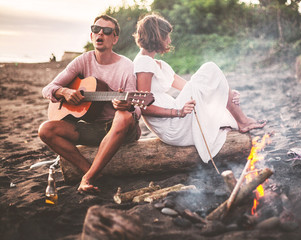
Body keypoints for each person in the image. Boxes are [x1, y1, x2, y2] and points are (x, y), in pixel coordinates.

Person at [133, 13, 266, 163]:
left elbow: (190, 87)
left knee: (211, 74)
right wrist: (177, 112)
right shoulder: (144, 63)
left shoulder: (158, 64)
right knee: (210, 68)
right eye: (167, 36)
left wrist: (225, 91)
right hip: (172, 124)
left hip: (177, 116)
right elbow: (142, 106)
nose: (169, 40)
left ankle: (241, 120)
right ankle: (243, 121)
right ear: (157, 37)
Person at [38, 14, 140, 193]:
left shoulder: (126, 66)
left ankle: (87, 177)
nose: (100, 33)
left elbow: (137, 108)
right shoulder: (83, 60)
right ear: (92, 36)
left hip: (119, 130)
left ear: (115, 38)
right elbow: (48, 88)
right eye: (96, 30)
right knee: (45, 130)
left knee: (123, 116)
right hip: (91, 127)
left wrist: (128, 106)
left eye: (107, 31)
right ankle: (91, 171)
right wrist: (64, 91)